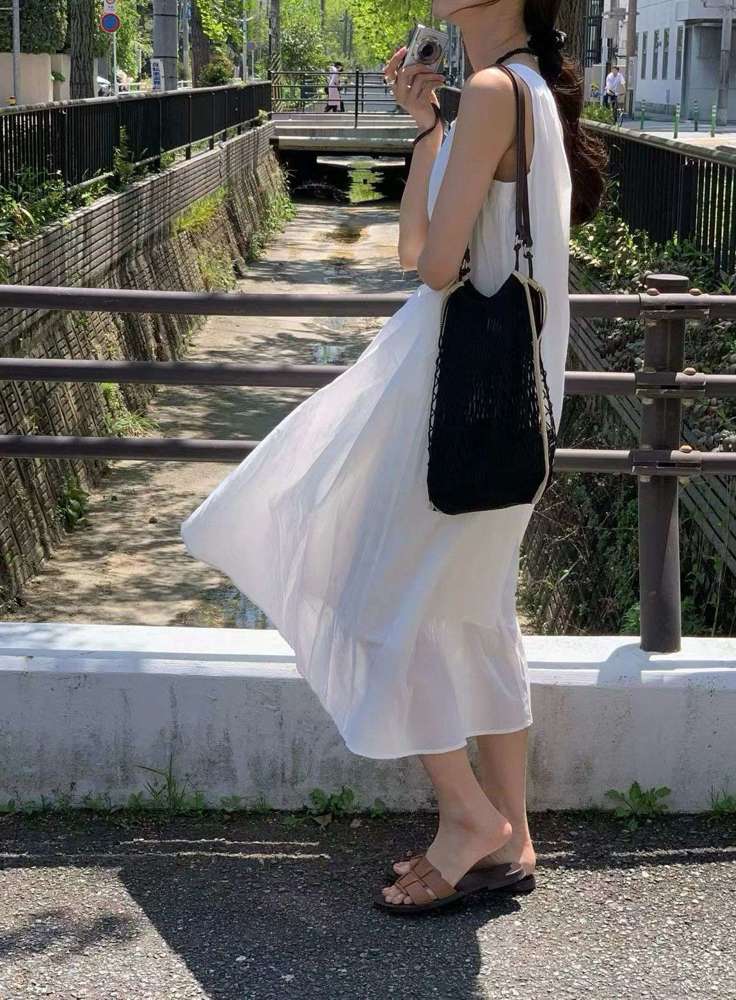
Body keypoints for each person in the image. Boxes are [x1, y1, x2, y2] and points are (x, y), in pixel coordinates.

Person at [181, 0, 605, 914]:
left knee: (371, 591)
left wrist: (440, 151)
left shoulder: (491, 90)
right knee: (475, 610)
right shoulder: (522, 89)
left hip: (451, 398)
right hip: (512, 404)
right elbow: (440, 243)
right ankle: (511, 834)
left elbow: (431, 264)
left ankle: (468, 818)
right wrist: (427, 132)